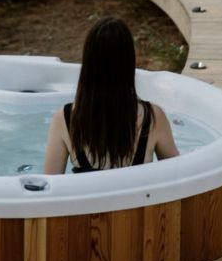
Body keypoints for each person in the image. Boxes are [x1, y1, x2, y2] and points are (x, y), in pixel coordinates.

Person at [43, 16, 179, 174]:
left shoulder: (65, 119)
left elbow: (48, 186)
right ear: (129, 62)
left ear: (88, 64)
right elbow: (178, 174)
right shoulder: (153, 117)